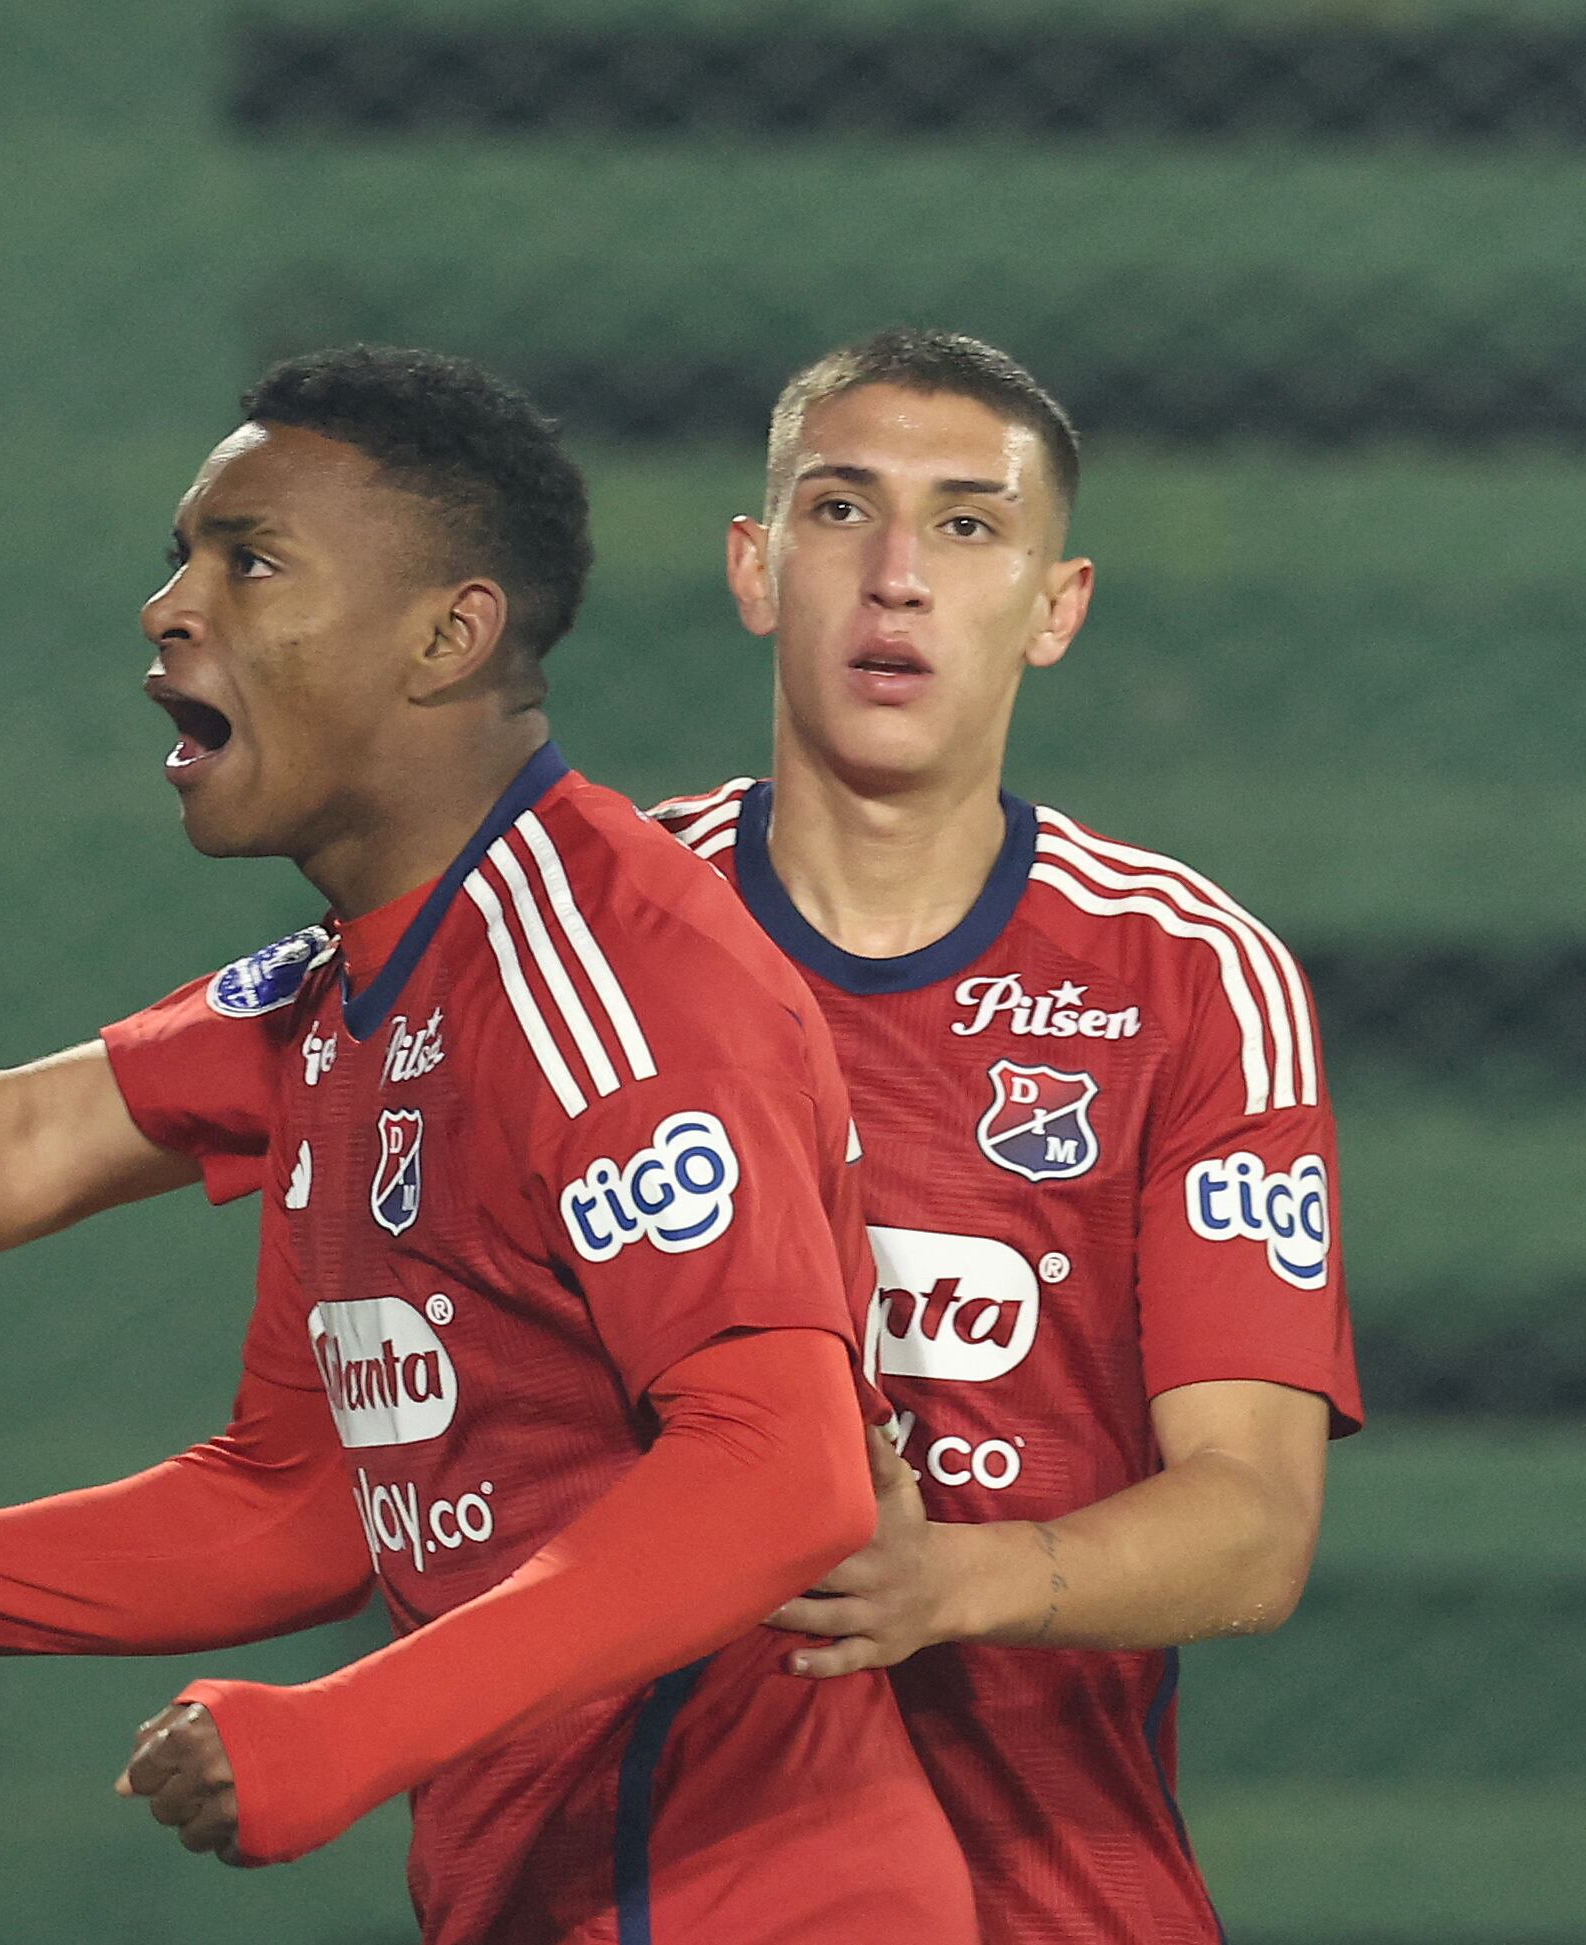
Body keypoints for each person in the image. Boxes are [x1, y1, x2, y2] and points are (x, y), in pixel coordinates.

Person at [0, 346, 977, 1941]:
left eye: (251, 559)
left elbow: (782, 1477)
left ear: (447, 634)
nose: (171, 605)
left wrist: (343, 1728)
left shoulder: (609, 974)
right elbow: (266, 1467)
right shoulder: (357, 993)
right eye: (182, 556)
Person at [654, 327, 1361, 1941]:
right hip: (647, 1880)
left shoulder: (1191, 975)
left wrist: (944, 1581)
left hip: (1045, 1897)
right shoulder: (583, 940)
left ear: (1059, 607)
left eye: (969, 525)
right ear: (756, 570)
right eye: (841, 512)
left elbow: (1252, 1521)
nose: (897, 575)